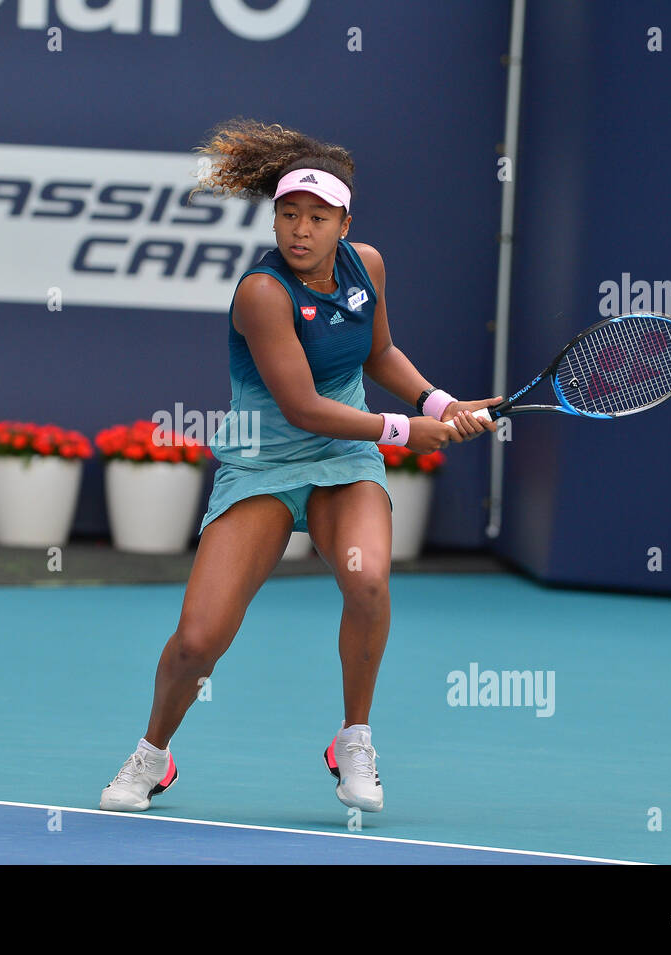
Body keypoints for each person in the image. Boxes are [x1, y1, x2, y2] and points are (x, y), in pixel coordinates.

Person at [99, 119, 500, 813]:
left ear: (345, 223)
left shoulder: (367, 266)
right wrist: (406, 430)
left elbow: (379, 353)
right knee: (198, 640)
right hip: (263, 464)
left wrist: (439, 401)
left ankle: (354, 739)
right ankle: (153, 753)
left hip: (344, 460)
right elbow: (304, 407)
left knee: (367, 581)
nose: (301, 230)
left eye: (317, 217)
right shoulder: (262, 292)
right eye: (289, 215)